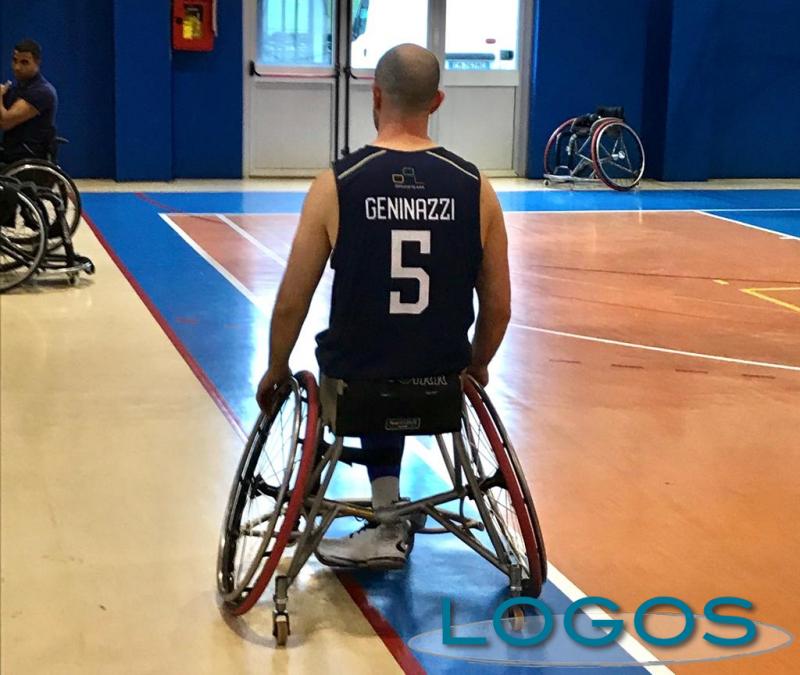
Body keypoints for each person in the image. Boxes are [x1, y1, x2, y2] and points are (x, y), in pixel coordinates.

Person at [255, 43, 510, 568]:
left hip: (359, 384)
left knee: (371, 355)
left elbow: (291, 303)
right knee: (405, 356)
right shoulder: (476, 188)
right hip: (441, 383)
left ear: (375, 95)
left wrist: (276, 367)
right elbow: (499, 306)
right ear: (436, 101)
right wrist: (478, 364)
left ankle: (369, 505)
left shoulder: (337, 184)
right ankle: (389, 508)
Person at [1, 39, 59, 163]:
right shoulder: (16, 88)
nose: (17, 67)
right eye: (15, 61)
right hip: (9, 150)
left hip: (27, 155)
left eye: (24, 62)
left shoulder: (42, 92)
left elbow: (5, 122)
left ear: (37, 63)